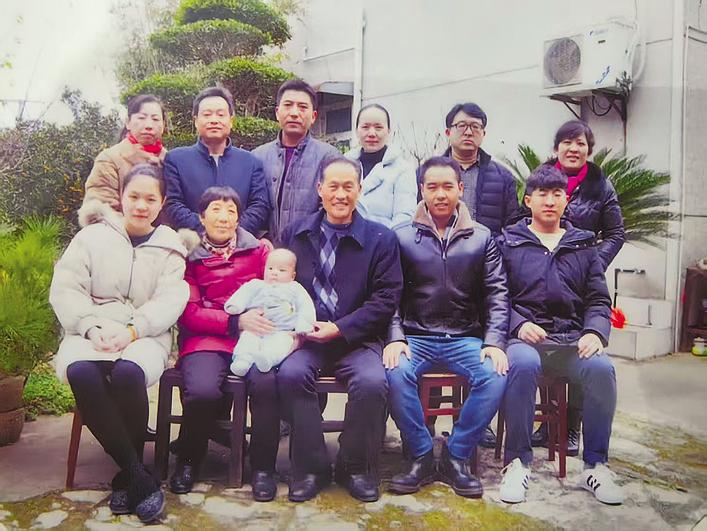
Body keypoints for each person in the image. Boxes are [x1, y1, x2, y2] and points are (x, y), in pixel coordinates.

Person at [50, 164, 191, 523]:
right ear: (120, 197)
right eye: (134, 197)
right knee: (81, 371)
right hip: (91, 328)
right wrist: (88, 326)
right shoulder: (91, 237)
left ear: (162, 203)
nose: (141, 206)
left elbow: (170, 300)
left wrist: (132, 331)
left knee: (129, 373)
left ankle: (129, 476)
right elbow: (66, 287)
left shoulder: (170, 248)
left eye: (150, 199)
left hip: (145, 332)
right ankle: (136, 472)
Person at [278, 156, 403, 503]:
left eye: (349, 186)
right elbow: (279, 287)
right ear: (320, 189)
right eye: (333, 186)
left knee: (373, 382)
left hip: (357, 339)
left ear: (359, 190)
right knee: (290, 374)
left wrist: (341, 328)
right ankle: (311, 467)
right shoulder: (295, 234)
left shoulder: (381, 238)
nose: (340, 194)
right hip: (307, 339)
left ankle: (355, 466)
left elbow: (386, 299)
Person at [385, 156, 509, 499]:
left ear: (460, 189)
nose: (440, 194)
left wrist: (494, 342)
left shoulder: (481, 237)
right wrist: (394, 336)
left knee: (495, 374)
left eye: (447, 187)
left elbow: (497, 292)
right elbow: (389, 294)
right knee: (394, 372)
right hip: (415, 337)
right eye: (432, 187)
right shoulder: (402, 236)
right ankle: (422, 456)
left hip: (464, 337)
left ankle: (456, 456)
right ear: (421, 190)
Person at [498, 165, 623, 506]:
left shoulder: (582, 244)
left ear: (566, 201)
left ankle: (595, 465)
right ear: (528, 200)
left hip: (570, 340)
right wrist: (518, 324)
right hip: (525, 340)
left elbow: (598, 298)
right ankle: (517, 463)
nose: (550, 201)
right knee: (521, 365)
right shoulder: (509, 242)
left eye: (557, 194)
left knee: (601, 369)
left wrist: (595, 331)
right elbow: (496, 296)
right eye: (542, 194)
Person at [168, 186, 282, 503]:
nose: (224, 217)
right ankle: (189, 460)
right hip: (206, 338)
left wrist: (261, 320)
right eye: (216, 209)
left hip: (254, 337)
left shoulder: (259, 251)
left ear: (238, 219)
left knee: (267, 385)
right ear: (201, 217)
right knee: (202, 391)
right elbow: (189, 312)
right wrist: (234, 321)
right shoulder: (188, 256)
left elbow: (277, 292)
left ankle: (263, 468)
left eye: (231, 211)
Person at [529, 120, 626, 454]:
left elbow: (616, 233)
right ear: (557, 147)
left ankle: (571, 429)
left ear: (589, 149)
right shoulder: (542, 178)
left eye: (581, 143)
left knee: (581, 349)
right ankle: (547, 425)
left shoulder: (601, 185)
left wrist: (591, 263)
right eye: (567, 142)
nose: (574, 148)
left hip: (581, 283)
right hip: (542, 277)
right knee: (543, 343)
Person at [429, 102, 519, 448]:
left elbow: (512, 227)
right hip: (436, 271)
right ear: (448, 131)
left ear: (483, 133)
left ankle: (474, 423)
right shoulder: (431, 171)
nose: (469, 131)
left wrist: (491, 254)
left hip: (483, 272)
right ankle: (428, 419)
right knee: (434, 341)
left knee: (477, 349)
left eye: (476, 126)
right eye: (462, 125)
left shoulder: (502, 177)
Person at [163, 86, 270, 235]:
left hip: (239, 243)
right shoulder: (176, 159)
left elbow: (260, 205)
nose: (214, 120)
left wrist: (232, 232)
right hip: (191, 244)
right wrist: (209, 230)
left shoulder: (251, 162)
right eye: (207, 115)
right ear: (196, 121)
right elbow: (173, 204)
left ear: (231, 121)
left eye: (220, 115)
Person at [252, 79, 339, 244]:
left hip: (311, 249)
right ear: (277, 113)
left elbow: (331, 207)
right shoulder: (257, 156)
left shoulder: (329, 157)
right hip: (266, 251)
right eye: (288, 105)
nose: (294, 113)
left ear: (313, 116)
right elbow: (251, 204)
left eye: (302, 107)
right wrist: (262, 238)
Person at [224, 248, 316, 375]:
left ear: (293, 275)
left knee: (282, 344)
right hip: (255, 328)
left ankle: (268, 359)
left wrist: (304, 325)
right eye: (270, 268)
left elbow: (305, 306)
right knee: (247, 338)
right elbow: (244, 294)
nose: (274, 273)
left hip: (282, 331)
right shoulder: (256, 285)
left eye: (281, 270)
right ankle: (242, 361)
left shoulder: (295, 288)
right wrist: (235, 305)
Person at [83, 95, 167, 210]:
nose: (148, 125)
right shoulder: (109, 159)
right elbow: (100, 210)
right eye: (141, 118)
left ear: (163, 125)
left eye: (155, 119)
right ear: (128, 122)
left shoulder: (171, 161)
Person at [344, 103, 417, 228]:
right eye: (365, 127)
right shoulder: (343, 165)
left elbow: (404, 218)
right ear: (356, 130)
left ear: (388, 131)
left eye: (378, 127)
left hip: (385, 238)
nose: (372, 133)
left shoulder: (403, 169)